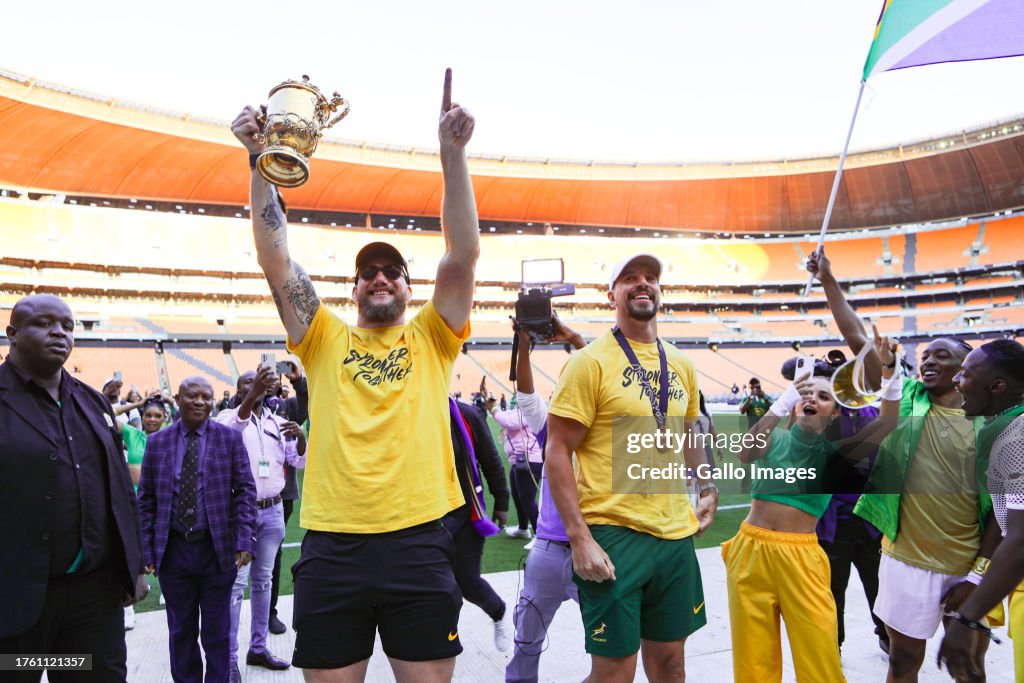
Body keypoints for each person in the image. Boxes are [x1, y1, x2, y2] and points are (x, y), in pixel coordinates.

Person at [231, 67, 478, 682]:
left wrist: (452, 156)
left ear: (407, 286)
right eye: (369, 271)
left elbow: (463, 253)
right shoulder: (322, 335)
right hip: (332, 545)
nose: (380, 278)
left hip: (418, 542)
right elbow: (275, 256)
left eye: (392, 270)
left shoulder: (433, 335)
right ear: (356, 287)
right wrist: (261, 162)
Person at [804, 247, 1001, 683]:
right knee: (901, 663)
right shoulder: (906, 397)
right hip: (904, 559)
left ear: (969, 368)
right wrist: (829, 281)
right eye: (925, 354)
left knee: (968, 666)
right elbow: (859, 338)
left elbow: (1001, 514)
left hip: (965, 565)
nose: (928, 360)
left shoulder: (992, 424)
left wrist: (980, 572)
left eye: (942, 356)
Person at [545, 253, 718, 682]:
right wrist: (579, 539)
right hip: (614, 535)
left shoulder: (681, 363)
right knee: (614, 675)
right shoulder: (589, 362)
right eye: (630, 278)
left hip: (675, 534)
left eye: (650, 278)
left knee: (671, 665)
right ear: (612, 294)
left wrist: (707, 486)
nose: (643, 284)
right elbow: (556, 451)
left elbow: (688, 432)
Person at [728, 329, 901, 682]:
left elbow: (887, 422)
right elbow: (746, 452)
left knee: (819, 654)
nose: (813, 399)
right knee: (753, 658)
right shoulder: (774, 438)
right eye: (806, 394)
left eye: (823, 397)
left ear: (835, 413)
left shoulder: (836, 455)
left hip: (801, 557)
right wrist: (788, 395)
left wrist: (890, 372)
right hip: (750, 551)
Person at [0, 294, 147, 682]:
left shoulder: (92, 401)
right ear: (12, 333)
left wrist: (135, 565)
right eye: (44, 323)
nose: (59, 333)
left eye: (67, 326)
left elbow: (119, 487)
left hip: (92, 599)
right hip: (14, 597)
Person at [138, 375, 258, 683]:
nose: (200, 401)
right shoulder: (157, 442)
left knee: (217, 633)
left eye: (206, 396)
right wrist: (146, 549)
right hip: (174, 552)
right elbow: (146, 501)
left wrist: (244, 539)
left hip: (217, 551)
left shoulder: (229, 438)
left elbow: (245, 490)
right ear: (177, 400)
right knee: (181, 632)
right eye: (193, 396)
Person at [506, 314, 586, 683]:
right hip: (550, 552)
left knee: (610, 646)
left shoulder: (604, 429)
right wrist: (524, 344)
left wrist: (576, 339)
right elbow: (525, 393)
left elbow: (609, 375)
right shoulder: (547, 427)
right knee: (526, 642)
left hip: (596, 550)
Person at [938, 339, 1024, 682]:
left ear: (997, 386)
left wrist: (968, 618)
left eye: (966, 373)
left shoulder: (1016, 437)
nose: (957, 381)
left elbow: (1020, 539)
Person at [217, 365, 307, 679]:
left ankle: (257, 648)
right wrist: (255, 392)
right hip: (238, 513)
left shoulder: (277, 422)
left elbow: (298, 460)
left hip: (272, 511)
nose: (254, 387)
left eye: (256, 384)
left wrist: (302, 438)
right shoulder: (226, 419)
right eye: (247, 383)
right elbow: (231, 435)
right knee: (236, 585)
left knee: (264, 581)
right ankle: (228, 659)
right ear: (241, 389)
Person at [445, 396, 512, 650]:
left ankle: (498, 611)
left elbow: (490, 459)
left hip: (465, 513)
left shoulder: (468, 415)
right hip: (427, 517)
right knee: (434, 584)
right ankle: (444, 637)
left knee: (468, 581)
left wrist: (502, 501)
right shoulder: (411, 413)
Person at [268, 359, 309, 635]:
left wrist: (297, 382)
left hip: (283, 492)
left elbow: (305, 405)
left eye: (275, 378)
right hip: (250, 493)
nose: (272, 380)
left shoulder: (288, 407)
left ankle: (269, 612)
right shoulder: (245, 407)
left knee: (275, 554)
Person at [491, 393, 544, 542]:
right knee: (518, 496)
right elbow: (505, 416)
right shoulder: (519, 412)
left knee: (527, 499)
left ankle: (541, 536)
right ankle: (523, 529)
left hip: (529, 461)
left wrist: (494, 409)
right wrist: (493, 408)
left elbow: (508, 421)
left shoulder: (530, 412)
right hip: (519, 460)